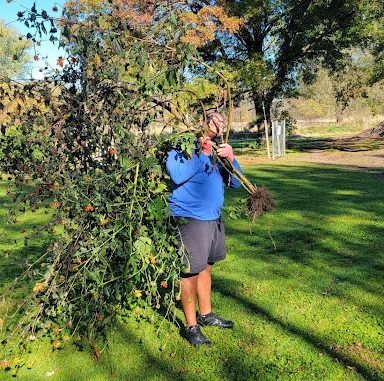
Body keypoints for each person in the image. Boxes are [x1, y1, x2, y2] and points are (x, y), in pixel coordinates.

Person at [166, 112, 244, 346]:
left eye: (222, 121)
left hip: (213, 219)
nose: (220, 124)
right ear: (202, 121)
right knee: (189, 273)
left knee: (206, 269)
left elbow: (236, 182)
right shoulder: (182, 145)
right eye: (215, 120)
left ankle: (207, 315)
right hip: (190, 219)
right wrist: (204, 153)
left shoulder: (219, 151)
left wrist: (231, 158)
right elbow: (177, 174)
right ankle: (191, 327)